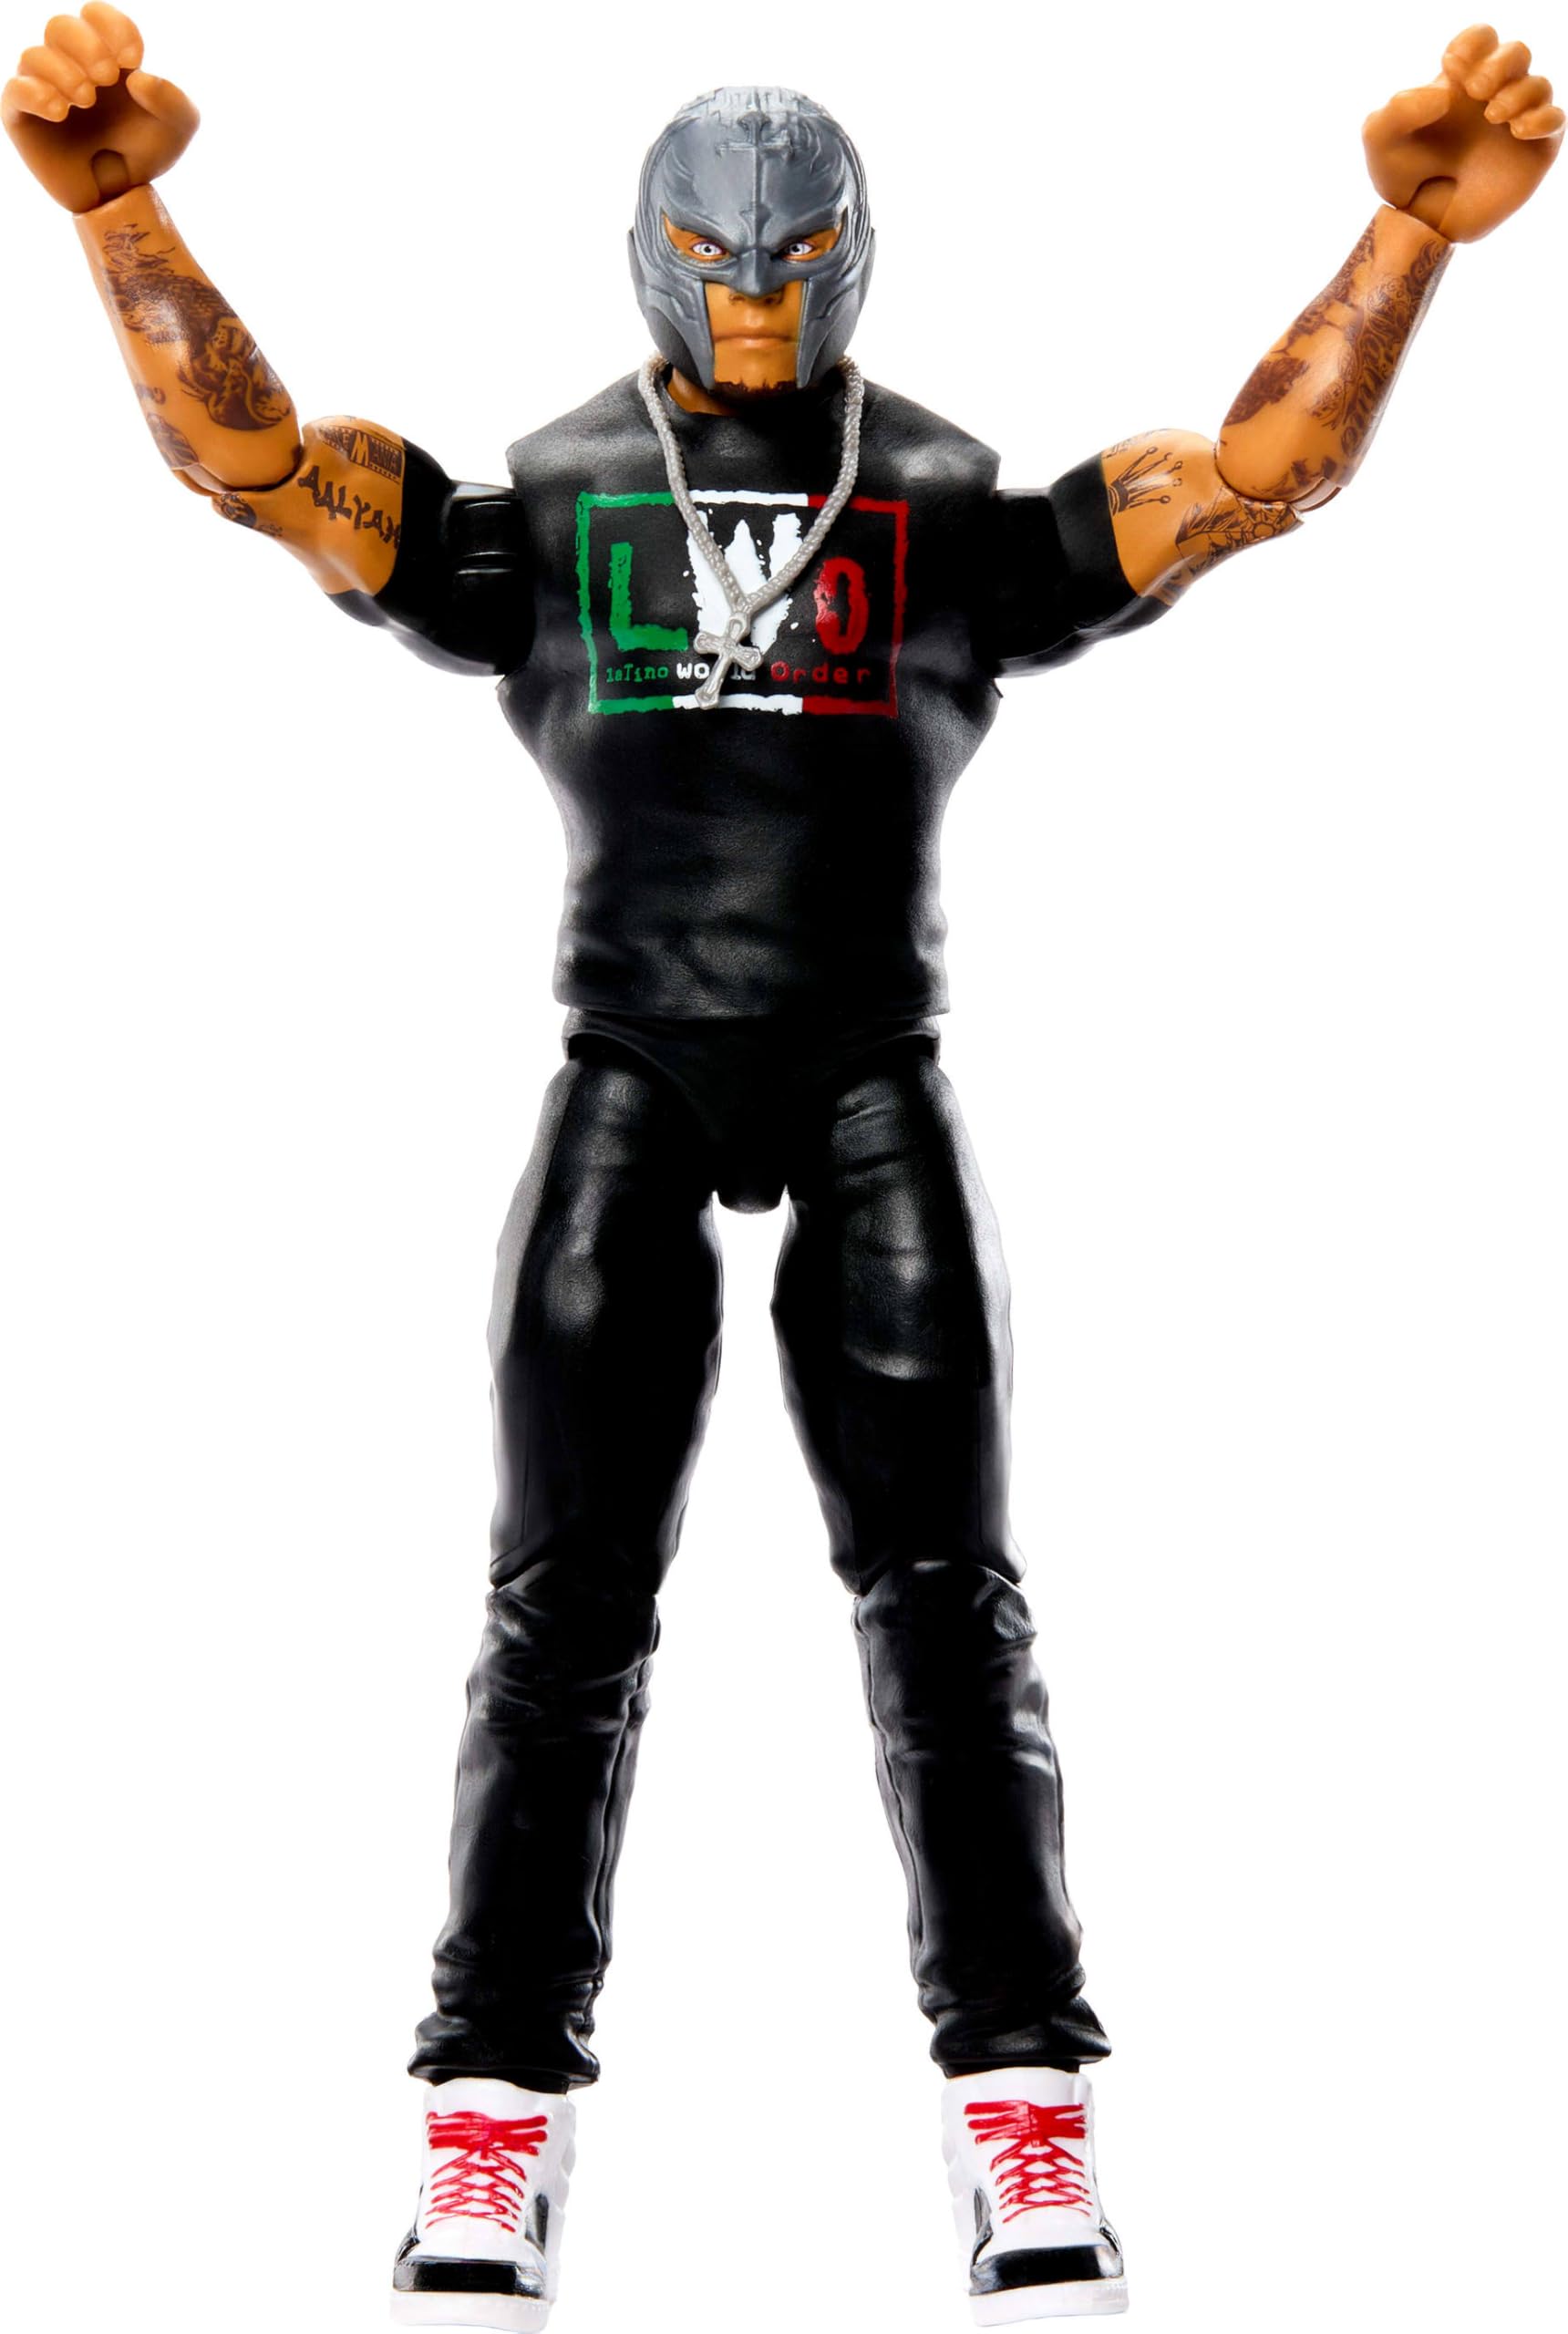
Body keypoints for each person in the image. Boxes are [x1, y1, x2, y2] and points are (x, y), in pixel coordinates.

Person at [5, 14, 1560, 2327]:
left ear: (854, 256)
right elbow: (260, 468)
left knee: (948, 1606)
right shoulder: (554, 495)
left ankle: (1020, 2098)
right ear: (649, 254)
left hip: (866, 1069)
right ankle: (489, 2115)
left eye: (793, 261)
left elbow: (1250, 480)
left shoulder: (931, 492)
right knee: (562, 1608)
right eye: (722, 262)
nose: (755, 299)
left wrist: (1401, 240)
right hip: (630, 1059)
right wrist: (123, 216)